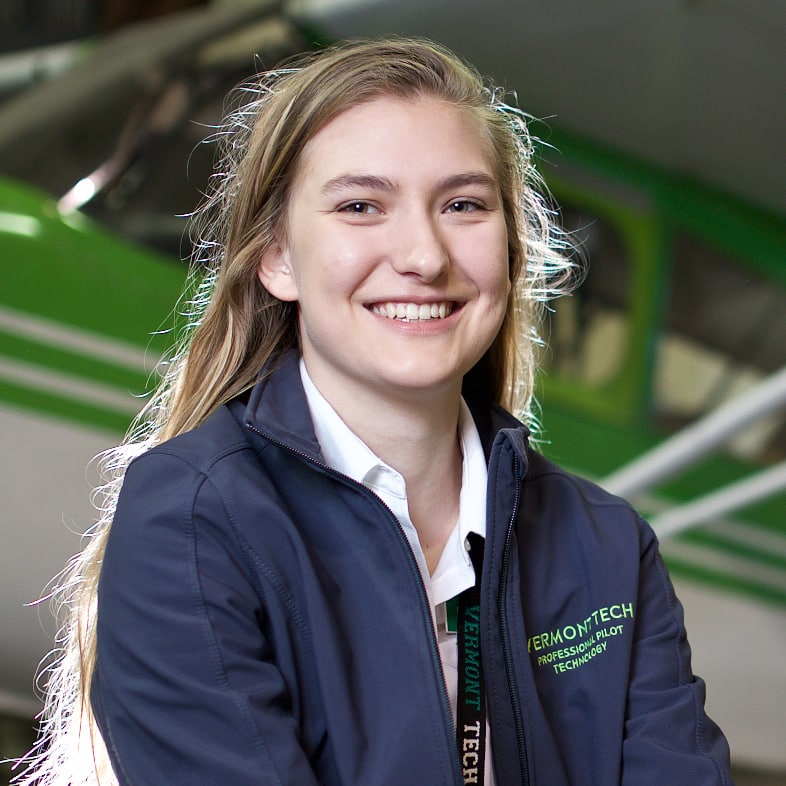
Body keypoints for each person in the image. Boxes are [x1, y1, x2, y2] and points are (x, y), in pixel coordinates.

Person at [17, 38, 733, 786]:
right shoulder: (188, 523)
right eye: (361, 206)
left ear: (513, 249)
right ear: (277, 258)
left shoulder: (609, 546)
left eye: (464, 205)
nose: (424, 254)